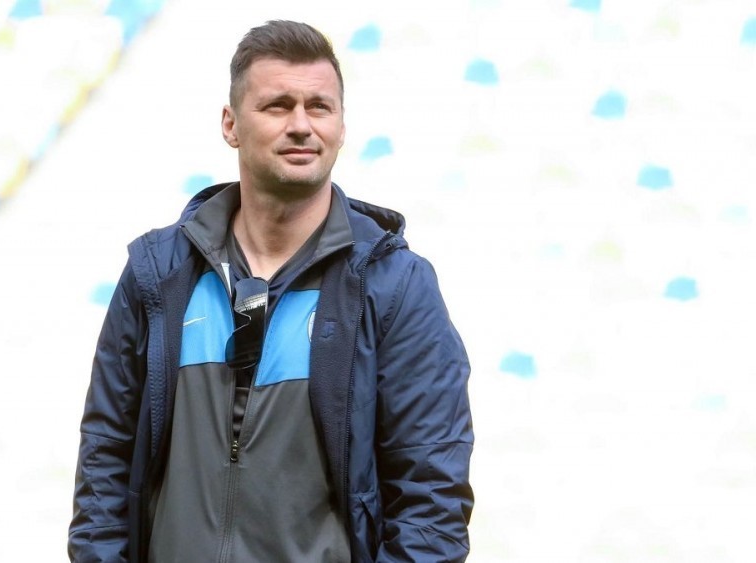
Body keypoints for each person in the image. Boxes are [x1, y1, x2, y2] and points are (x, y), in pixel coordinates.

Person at [69, 20, 474, 563]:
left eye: (319, 107)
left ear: (341, 126)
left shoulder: (394, 285)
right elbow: (105, 461)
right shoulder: (158, 273)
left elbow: (431, 498)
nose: (301, 125)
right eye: (278, 106)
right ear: (231, 124)